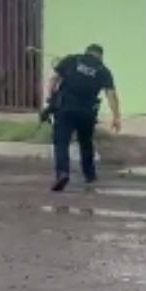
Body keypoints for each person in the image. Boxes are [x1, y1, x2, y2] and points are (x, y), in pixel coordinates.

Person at [48, 44, 121, 192]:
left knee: (61, 142)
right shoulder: (103, 70)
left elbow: (53, 79)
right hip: (87, 112)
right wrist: (116, 117)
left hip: (65, 108)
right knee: (86, 142)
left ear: (87, 52)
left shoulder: (71, 60)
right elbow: (111, 94)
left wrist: (51, 97)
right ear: (100, 56)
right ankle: (89, 174)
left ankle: (62, 173)